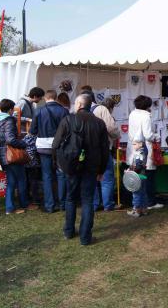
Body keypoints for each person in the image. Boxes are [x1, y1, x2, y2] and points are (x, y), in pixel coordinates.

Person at [53, 94, 109, 246]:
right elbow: (105, 150)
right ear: (90, 105)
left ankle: (69, 231)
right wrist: (101, 170)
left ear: (78, 104)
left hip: (71, 166)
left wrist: (59, 164)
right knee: (87, 200)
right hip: (91, 167)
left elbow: (56, 144)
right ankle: (85, 237)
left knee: (71, 198)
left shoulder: (68, 120)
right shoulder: (99, 123)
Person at [30, 90, 69, 213]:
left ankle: (49, 205)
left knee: (46, 175)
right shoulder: (64, 111)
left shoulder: (39, 110)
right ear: (56, 98)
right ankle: (62, 203)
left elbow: (33, 130)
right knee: (61, 174)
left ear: (46, 98)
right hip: (60, 146)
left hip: (43, 146)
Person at [0, 99, 29, 215]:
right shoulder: (9, 120)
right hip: (11, 154)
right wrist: (23, 143)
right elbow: (10, 139)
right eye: (13, 109)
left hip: (3, 154)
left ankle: (10, 207)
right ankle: (24, 203)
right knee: (21, 179)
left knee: (11, 181)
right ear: (10, 110)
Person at [128, 95, 161, 217]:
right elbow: (148, 135)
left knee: (138, 177)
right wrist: (157, 137)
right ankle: (140, 207)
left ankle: (140, 207)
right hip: (141, 149)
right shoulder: (146, 116)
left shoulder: (132, 114)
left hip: (134, 147)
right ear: (147, 106)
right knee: (139, 178)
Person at [15, 87, 45, 209]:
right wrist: (28, 120)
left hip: (27, 138)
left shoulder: (31, 104)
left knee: (30, 172)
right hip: (23, 138)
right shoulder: (22, 103)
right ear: (35, 96)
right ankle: (28, 198)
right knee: (29, 171)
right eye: (40, 97)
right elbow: (15, 116)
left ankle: (31, 197)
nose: (41, 99)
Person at [92, 97, 121, 212]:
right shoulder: (105, 112)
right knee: (107, 178)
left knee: (93, 178)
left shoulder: (90, 111)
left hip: (91, 150)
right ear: (111, 108)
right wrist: (117, 136)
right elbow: (112, 130)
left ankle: (94, 204)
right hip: (103, 149)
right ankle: (108, 204)